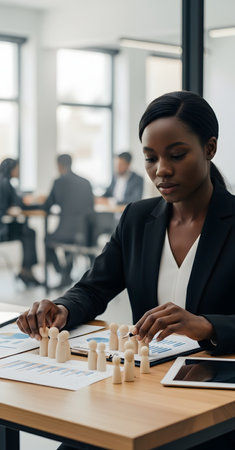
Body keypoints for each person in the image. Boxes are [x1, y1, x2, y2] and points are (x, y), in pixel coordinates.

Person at [17, 91, 235, 449]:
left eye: (176, 155)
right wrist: (63, 309)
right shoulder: (138, 218)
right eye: (151, 158)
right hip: (143, 387)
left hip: (212, 400)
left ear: (210, 148)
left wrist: (208, 325)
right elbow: (94, 287)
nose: (161, 170)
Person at [43, 154, 94, 287]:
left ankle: (62, 272)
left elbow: (47, 205)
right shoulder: (85, 182)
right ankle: (66, 274)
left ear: (59, 165)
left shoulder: (58, 182)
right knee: (68, 245)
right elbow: (91, 207)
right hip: (85, 233)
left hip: (65, 233)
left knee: (47, 240)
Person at [0, 158, 40, 286]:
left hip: (2, 226)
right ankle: (26, 271)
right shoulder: (6, 183)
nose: (18, 171)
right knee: (29, 232)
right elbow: (22, 205)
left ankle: (26, 271)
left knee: (26, 230)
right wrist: (39, 204)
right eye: (17, 168)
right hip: (2, 231)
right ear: (11, 169)